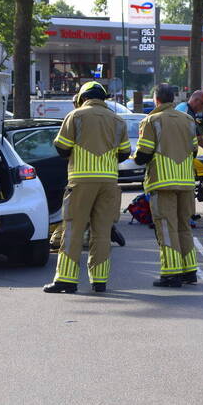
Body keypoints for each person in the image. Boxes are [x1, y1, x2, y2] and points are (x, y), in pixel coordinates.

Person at [43, 81, 130, 294]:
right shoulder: (118, 120)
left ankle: (66, 280)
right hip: (109, 182)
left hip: (81, 181)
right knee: (101, 232)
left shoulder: (76, 116)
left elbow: (61, 147)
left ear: (82, 98)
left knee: (73, 229)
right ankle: (99, 281)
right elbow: (125, 153)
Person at [135, 83, 198, 287]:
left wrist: (134, 158)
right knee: (183, 226)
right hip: (186, 182)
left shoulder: (151, 120)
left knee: (166, 227)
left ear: (156, 100)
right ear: (172, 99)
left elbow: (143, 154)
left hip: (162, 183)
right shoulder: (188, 120)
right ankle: (190, 271)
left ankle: (171, 274)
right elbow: (194, 150)